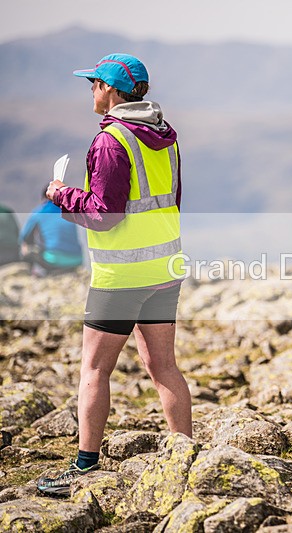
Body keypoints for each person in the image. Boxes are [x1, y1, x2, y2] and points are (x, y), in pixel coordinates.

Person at [37, 53, 191, 495]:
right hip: (165, 265)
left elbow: (106, 215)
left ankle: (85, 467)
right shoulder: (166, 136)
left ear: (111, 89)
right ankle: (186, 456)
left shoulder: (111, 142)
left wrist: (61, 195)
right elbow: (169, 198)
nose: (90, 90)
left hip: (122, 274)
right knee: (163, 365)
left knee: (94, 369)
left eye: (94, 83)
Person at [19, 187, 83, 276]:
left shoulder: (40, 212)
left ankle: (31, 277)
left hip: (54, 260)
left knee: (28, 252)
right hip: (77, 259)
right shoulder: (68, 211)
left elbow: (24, 237)